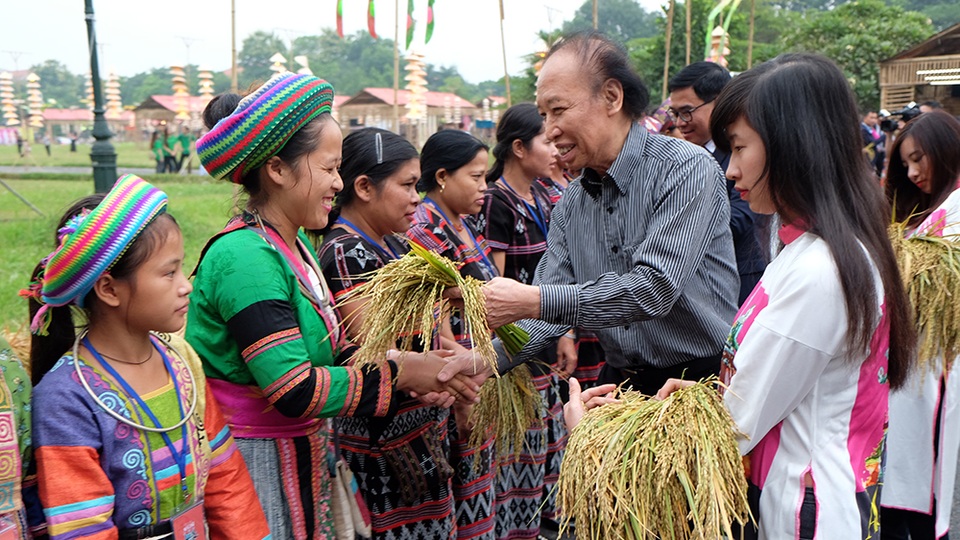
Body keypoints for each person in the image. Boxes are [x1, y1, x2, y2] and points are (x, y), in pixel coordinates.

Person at [189, 73, 478, 539]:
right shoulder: (244, 257)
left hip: (304, 458)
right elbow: (294, 388)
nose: (338, 183)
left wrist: (421, 371)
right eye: (328, 169)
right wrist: (401, 373)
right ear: (278, 170)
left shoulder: (293, 248)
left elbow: (334, 353)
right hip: (253, 467)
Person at [646, 53, 915, 539]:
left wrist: (594, 431)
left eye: (739, 147)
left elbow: (731, 428)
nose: (729, 170)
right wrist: (719, 391)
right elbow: (769, 387)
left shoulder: (820, 269)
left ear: (794, 146)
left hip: (797, 513)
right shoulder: (816, 248)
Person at [441, 31, 739, 397]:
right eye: (543, 115)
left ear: (612, 97)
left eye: (559, 110)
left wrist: (530, 299)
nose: (550, 131)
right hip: (623, 386)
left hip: (699, 383)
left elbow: (654, 288)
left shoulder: (685, 169)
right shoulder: (571, 203)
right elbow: (553, 304)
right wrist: (486, 360)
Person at [23, 174, 271, 539]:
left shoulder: (181, 360)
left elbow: (225, 477)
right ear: (109, 288)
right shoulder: (66, 399)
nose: (186, 285)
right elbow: (83, 529)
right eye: (168, 273)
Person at [316, 127, 462, 539]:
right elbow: (372, 350)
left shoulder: (394, 246)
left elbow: (430, 327)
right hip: (385, 446)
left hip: (420, 433)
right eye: (408, 185)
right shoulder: (346, 251)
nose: (418, 197)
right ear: (364, 187)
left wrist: (455, 368)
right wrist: (438, 374)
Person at [478, 102, 566, 539]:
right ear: (517, 148)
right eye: (546, 141)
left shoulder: (549, 195)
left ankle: (541, 515)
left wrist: (564, 330)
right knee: (519, 444)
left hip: (548, 329)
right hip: (515, 340)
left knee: (547, 435)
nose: (555, 150)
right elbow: (497, 283)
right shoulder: (497, 200)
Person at [406, 129, 497, 540]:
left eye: (485, 177)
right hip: (459, 374)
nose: (484, 186)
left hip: (482, 366)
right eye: (475, 177)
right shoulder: (425, 229)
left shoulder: (465, 223)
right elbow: (436, 306)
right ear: (442, 177)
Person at [881, 110, 960, 540]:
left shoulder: (956, 208)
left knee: (922, 482)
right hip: (910, 366)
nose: (912, 174)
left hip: (935, 368)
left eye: (918, 159)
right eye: (905, 164)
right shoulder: (937, 209)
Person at [669, 61, 768, 306]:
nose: (680, 122)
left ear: (720, 101)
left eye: (687, 111)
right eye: (675, 114)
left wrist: (674, 230)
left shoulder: (745, 154)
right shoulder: (682, 157)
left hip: (741, 278)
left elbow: (740, 217)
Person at [861, 109, 886, 177]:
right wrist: (884, 136)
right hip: (867, 159)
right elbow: (871, 142)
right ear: (865, 117)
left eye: (875, 118)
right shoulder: (862, 129)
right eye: (871, 118)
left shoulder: (874, 129)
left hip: (877, 158)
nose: (873, 120)